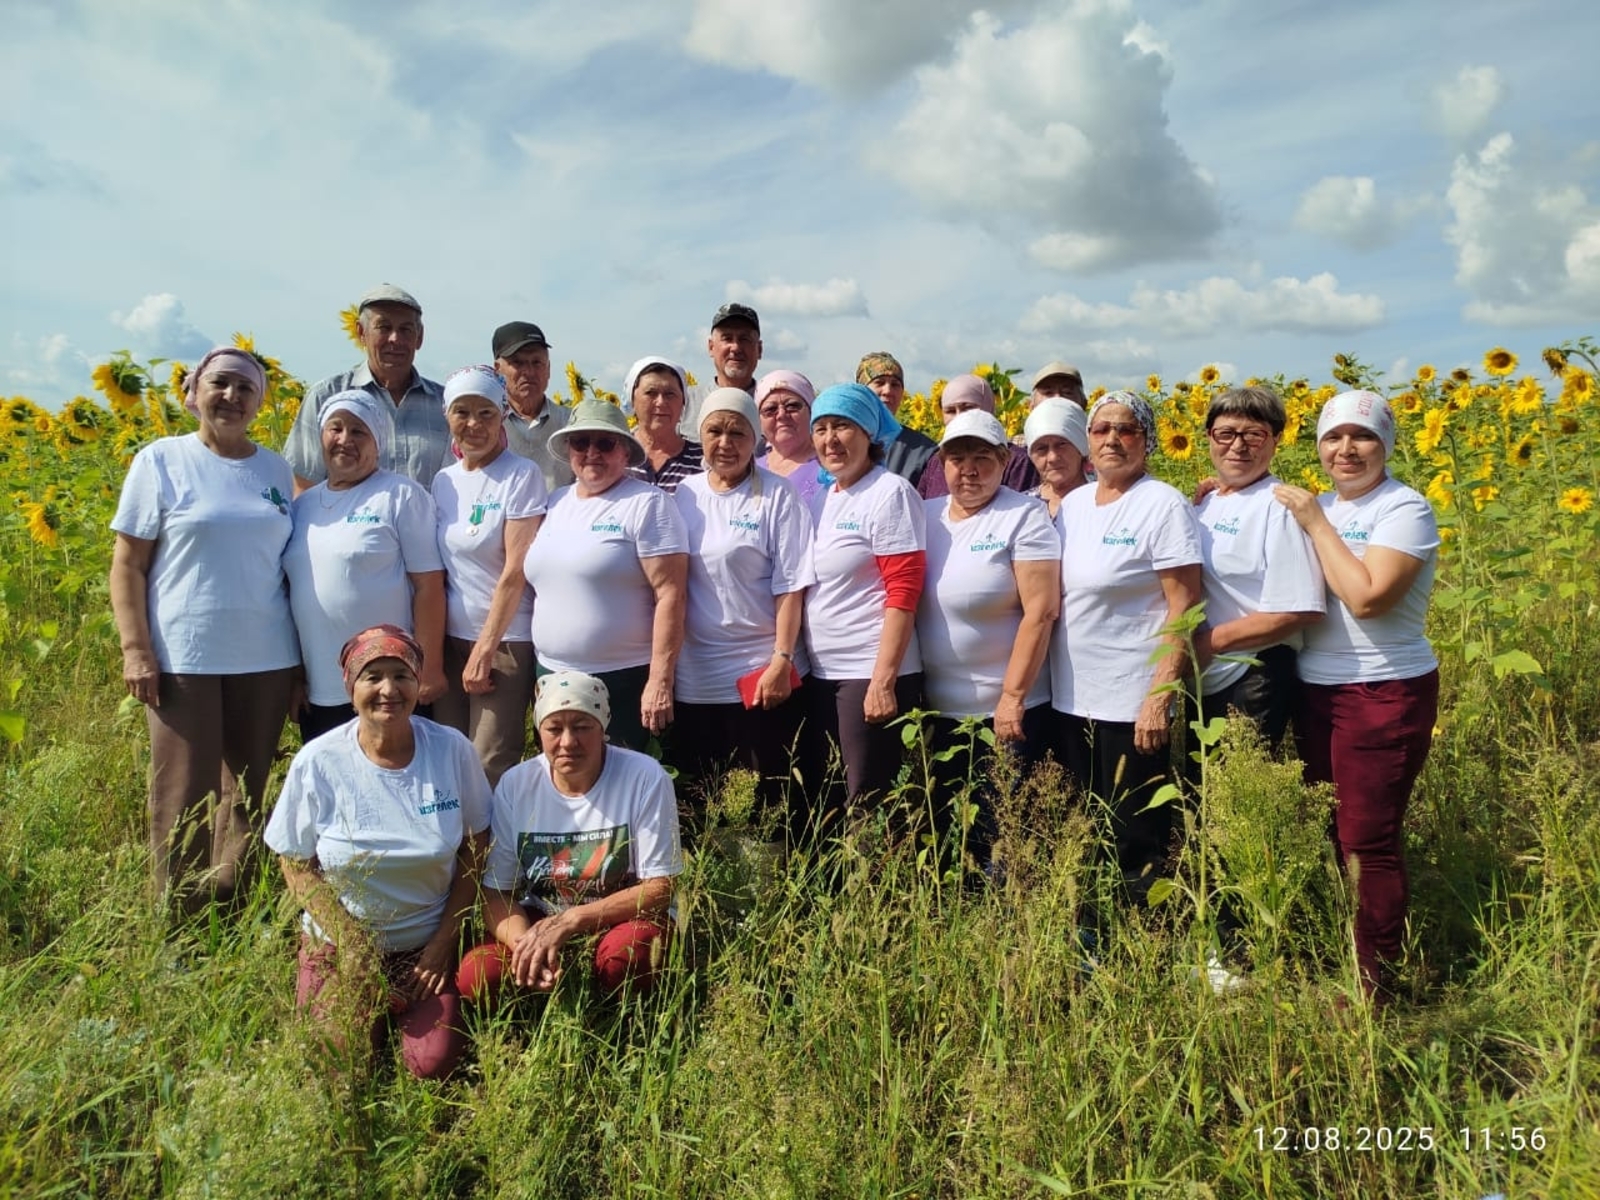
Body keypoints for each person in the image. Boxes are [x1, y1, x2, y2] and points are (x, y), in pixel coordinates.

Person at [110, 346, 299, 918]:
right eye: (220, 384)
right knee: (183, 795)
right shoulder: (162, 461)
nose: (232, 397)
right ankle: (178, 924)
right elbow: (128, 564)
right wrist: (136, 649)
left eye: (246, 388)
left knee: (246, 791)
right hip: (184, 657)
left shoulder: (274, 470)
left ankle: (229, 907)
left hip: (266, 656)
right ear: (193, 392)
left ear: (260, 402)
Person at [265, 626, 491, 1080]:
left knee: (431, 1064)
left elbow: (477, 844)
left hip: (424, 946)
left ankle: (406, 1014)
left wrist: (443, 943)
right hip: (341, 941)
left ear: (418, 684)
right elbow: (294, 862)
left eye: (401, 675)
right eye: (373, 677)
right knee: (340, 1065)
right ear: (352, 690)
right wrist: (352, 944)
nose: (389, 690)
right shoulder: (319, 760)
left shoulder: (451, 750)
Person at [1273, 390, 1440, 1004]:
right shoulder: (1315, 504)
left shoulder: (1405, 509)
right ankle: (1342, 954)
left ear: (1387, 445)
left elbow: (1368, 596)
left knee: (1368, 838)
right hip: (1316, 688)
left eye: (1362, 437)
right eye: (1332, 437)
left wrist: (1316, 525)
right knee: (1331, 833)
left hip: (1384, 687)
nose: (1346, 449)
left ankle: (1377, 984)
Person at [1048, 391, 1202, 905]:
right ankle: (1094, 936)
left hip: (1130, 701)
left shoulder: (1162, 504)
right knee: (1086, 829)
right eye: (1100, 430)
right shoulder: (1073, 505)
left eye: (1127, 429)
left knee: (1138, 833)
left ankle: (1149, 939)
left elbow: (1184, 606)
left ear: (1148, 440)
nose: (1112, 439)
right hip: (1070, 698)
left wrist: (1159, 697)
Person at [457, 672, 682, 1002]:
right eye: (554, 728)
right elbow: (495, 892)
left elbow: (660, 889)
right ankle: (524, 1024)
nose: (567, 741)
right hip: (540, 918)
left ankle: (626, 1022)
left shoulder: (644, 776)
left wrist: (573, 920)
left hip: (623, 920)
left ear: (602, 727)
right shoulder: (516, 784)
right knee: (479, 974)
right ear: (538, 731)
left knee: (625, 957)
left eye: (581, 726)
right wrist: (527, 947)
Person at [917, 411, 1060, 865]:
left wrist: (1012, 697)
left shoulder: (1024, 515)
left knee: (1004, 843)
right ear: (941, 463)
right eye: (957, 458)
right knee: (946, 846)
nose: (970, 469)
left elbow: (1042, 611)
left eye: (983, 457)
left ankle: (1012, 931)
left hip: (1007, 718)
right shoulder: (923, 515)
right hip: (936, 715)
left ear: (1004, 460)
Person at [672, 388, 815, 826]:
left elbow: (790, 585)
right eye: (715, 431)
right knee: (699, 800)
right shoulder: (683, 495)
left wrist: (781, 659)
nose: (725, 443)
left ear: (756, 438)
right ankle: (704, 890)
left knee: (767, 804)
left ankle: (765, 890)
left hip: (759, 676)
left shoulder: (778, 495)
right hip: (694, 678)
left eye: (738, 432)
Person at [523, 399, 688, 753]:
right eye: (581, 442)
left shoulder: (648, 503)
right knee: (564, 781)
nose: (592, 452)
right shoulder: (555, 502)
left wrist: (660, 679)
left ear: (625, 452)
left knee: (622, 786)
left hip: (623, 679)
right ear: (569, 450)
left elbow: (671, 593)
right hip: (552, 674)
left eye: (605, 443)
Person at [801, 383, 927, 836]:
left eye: (843, 427)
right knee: (831, 798)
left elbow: (904, 590)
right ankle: (841, 902)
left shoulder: (888, 493)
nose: (830, 439)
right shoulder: (823, 497)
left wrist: (883, 680)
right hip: (825, 673)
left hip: (867, 672)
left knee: (868, 807)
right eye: (821, 428)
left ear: (869, 433)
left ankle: (878, 901)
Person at [285, 391, 446, 741]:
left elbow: (429, 586)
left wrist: (429, 667)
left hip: (390, 682)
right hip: (323, 684)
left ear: (378, 441)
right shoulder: (303, 505)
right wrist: (297, 675)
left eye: (359, 431)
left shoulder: (400, 495)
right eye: (335, 429)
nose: (345, 440)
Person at [431, 366, 549, 785]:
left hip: (503, 643)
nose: (473, 424)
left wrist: (485, 648)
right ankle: (450, 851)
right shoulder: (444, 481)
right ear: (447, 417)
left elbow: (516, 571)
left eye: (485, 413)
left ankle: (489, 852)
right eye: (462, 412)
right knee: (448, 758)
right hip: (451, 641)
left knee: (488, 765)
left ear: (502, 416)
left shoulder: (520, 476)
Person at [1191, 386, 1324, 754]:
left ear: (1276, 440)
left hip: (1253, 673)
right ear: (1209, 438)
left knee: (1235, 799)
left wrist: (1209, 643)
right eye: (1226, 433)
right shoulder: (1207, 502)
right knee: (1202, 797)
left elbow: (1298, 609)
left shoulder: (1278, 504)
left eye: (1254, 434)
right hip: (1208, 678)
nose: (1239, 445)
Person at [284, 285, 450, 493]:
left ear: (420, 338)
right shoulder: (326, 396)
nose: (395, 339)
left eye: (406, 329)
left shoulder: (448, 405)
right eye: (384, 327)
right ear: (361, 333)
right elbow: (303, 486)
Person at [917, 374, 1038, 499]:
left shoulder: (1018, 462)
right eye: (951, 411)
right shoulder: (936, 461)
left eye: (968, 408)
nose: (959, 416)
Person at [492, 321, 573, 491]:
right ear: (497, 370)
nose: (529, 372)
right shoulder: (485, 426)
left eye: (536, 362)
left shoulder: (571, 424)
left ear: (548, 369)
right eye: (518, 363)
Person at [625, 357, 703, 494]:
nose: (660, 402)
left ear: (683, 402)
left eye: (670, 394)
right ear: (632, 399)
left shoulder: (703, 460)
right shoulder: (613, 453)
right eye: (650, 393)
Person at [857, 352, 937, 484]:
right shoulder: (843, 442)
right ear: (861, 391)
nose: (888, 391)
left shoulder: (924, 451)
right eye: (879, 382)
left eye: (895, 384)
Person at [682, 302, 762, 434]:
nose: (736, 347)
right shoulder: (685, 402)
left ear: (759, 349)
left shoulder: (773, 408)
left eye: (744, 339)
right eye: (727, 338)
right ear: (711, 347)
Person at [754, 369, 825, 507]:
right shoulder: (749, 469)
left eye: (792, 406)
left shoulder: (830, 467)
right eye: (770, 409)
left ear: (811, 411)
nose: (781, 415)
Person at [1024, 399, 1090, 518]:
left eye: (1061, 445)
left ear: (1081, 447)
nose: (1052, 458)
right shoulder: (1023, 506)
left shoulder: (1105, 500)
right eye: (1041, 448)